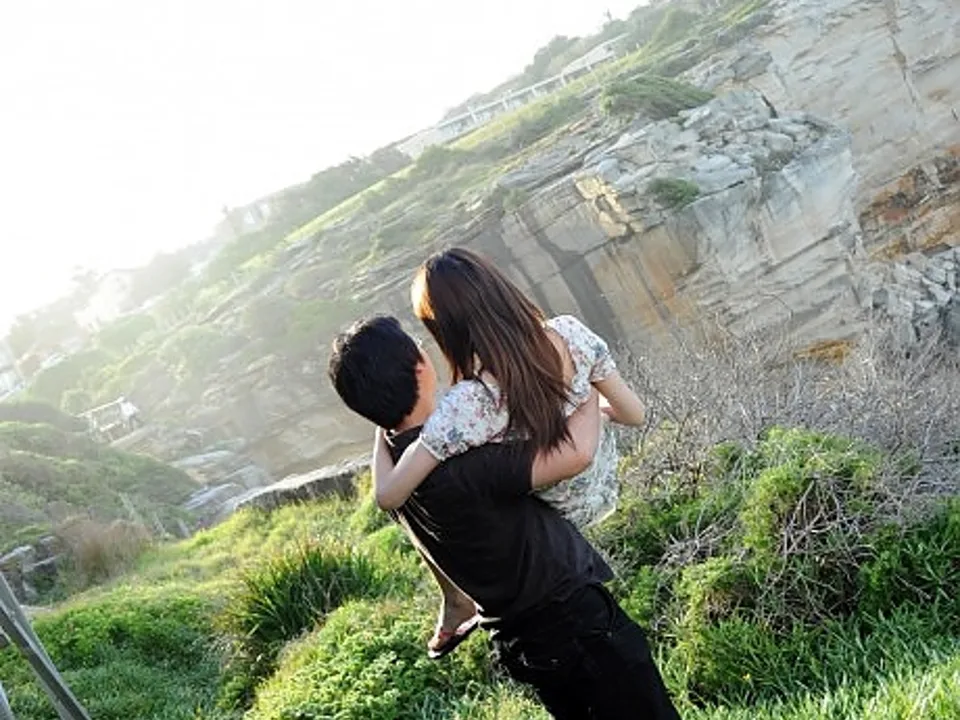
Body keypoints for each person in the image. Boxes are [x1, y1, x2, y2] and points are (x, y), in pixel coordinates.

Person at [328, 315, 680, 719]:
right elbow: (576, 453)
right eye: (418, 345)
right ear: (420, 367)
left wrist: (380, 423)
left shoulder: (397, 471)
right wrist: (583, 379)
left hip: (522, 640)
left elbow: (392, 492)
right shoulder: (465, 462)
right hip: (574, 622)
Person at [372, 247, 647, 645]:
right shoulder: (570, 333)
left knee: (440, 485)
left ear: (444, 331)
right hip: (602, 490)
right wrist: (590, 407)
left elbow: (389, 496)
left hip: (556, 520)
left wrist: (382, 429)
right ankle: (453, 601)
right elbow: (634, 414)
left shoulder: (467, 405)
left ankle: (454, 599)